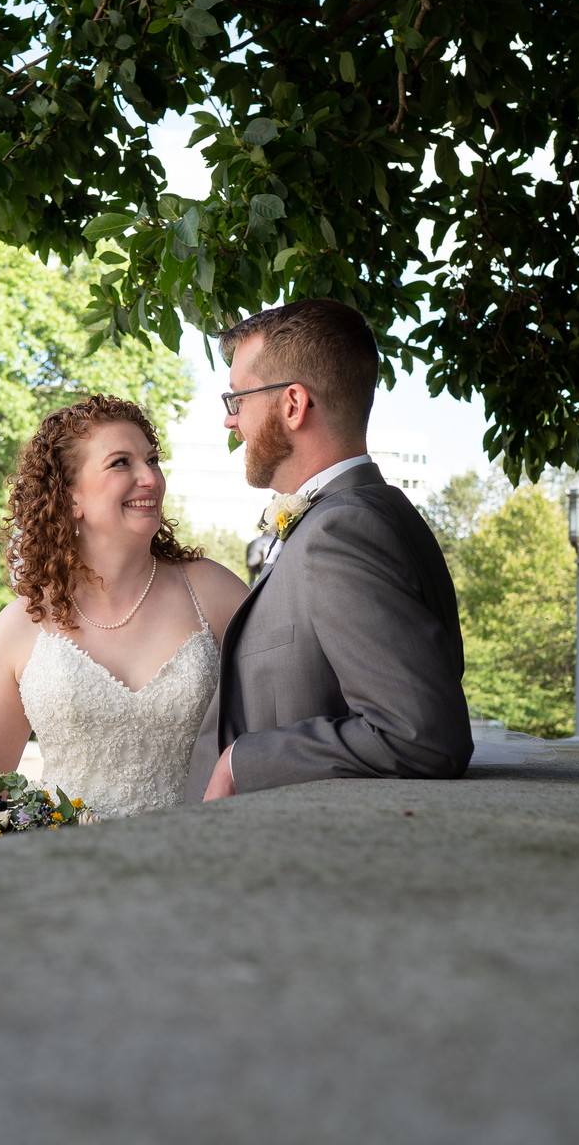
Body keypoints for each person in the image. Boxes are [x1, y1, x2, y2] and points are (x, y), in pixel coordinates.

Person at [187, 298, 473, 802]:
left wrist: (243, 761)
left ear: (292, 405)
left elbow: (419, 736)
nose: (232, 422)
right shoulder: (358, 515)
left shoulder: (343, 530)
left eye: (238, 400)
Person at [0, 395, 248, 818]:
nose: (150, 478)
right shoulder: (20, 627)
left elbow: (281, 719)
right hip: (67, 873)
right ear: (69, 497)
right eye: (121, 463)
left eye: (152, 460)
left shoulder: (213, 591)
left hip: (195, 860)